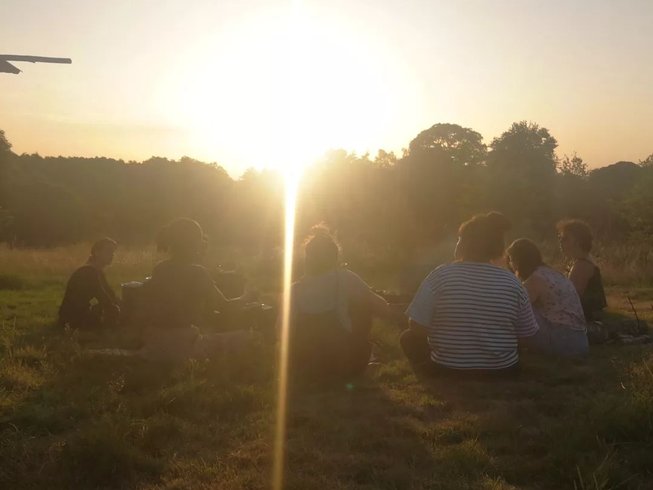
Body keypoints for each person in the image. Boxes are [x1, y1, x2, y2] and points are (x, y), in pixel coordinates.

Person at [401, 212, 539, 378]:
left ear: (464, 244)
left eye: (459, 238)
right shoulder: (513, 282)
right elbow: (527, 335)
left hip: (448, 370)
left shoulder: (440, 275)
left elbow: (416, 325)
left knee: (407, 337)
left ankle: (427, 369)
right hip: (503, 372)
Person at [139, 218, 255, 361]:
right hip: (183, 344)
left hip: (154, 341)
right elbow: (225, 307)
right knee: (246, 337)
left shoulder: (160, 268)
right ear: (195, 243)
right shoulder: (198, 272)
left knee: (209, 331)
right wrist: (247, 296)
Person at [289, 225, 390, 382]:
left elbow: (280, 331)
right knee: (364, 306)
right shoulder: (344, 278)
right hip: (342, 363)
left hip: (303, 365)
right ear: (334, 257)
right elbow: (381, 306)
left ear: (307, 258)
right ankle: (366, 357)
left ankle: (312, 369)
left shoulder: (294, 289)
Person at [506, 238, 588, 357]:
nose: (510, 264)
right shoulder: (553, 273)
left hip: (562, 342)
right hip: (580, 342)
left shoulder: (535, 279)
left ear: (519, 261)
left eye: (511, 260)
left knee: (517, 306)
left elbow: (513, 311)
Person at [58, 238, 121, 329]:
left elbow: (110, 294)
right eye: (108, 251)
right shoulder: (88, 272)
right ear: (96, 252)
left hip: (79, 313)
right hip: (72, 318)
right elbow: (103, 297)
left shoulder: (97, 271)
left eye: (112, 252)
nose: (112, 255)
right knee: (112, 311)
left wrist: (120, 302)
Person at [557, 219, 607, 321]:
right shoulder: (582, 261)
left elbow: (569, 300)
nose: (561, 242)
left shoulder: (582, 265)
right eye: (560, 238)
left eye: (565, 238)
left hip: (587, 322)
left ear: (578, 241)